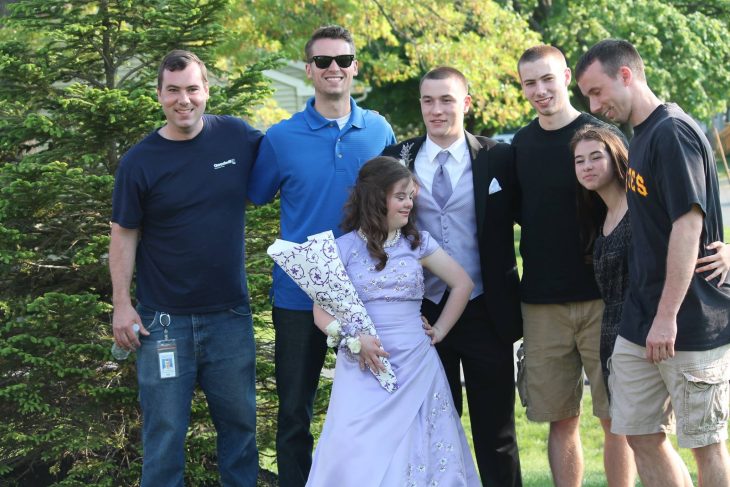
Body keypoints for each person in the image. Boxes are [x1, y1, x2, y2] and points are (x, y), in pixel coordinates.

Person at [576, 39, 730, 487]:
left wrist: (666, 318)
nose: (594, 104)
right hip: (639, 320)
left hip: (689, 320)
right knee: (638, 432)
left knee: (706, 443)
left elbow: (689, 225)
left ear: (626, 75)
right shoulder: (641, 137)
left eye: (597, 91)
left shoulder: (673, 133)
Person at [248, 25, 396, 487]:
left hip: (370, 292)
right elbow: (254, 195)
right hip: (297, 297)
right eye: (325, 62)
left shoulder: (378, 130)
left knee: (373, 402)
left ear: (355, 67)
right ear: (309, 69)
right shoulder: (281, 137)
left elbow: (400, 204)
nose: (335, 69)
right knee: (295, 409)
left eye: (344, 61)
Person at [109, 50, 261, 486]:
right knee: (164, 438)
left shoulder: (235, 136)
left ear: (206, 91)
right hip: (163, 324)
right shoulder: (140, 161)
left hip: (230, 317)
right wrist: (122, 304)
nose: (184, 99)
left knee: (240, 434)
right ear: (159, 94)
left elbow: (286, 165)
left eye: (192, 88)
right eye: (173, 90)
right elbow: (123, 234)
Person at [382, 66, 522, 486]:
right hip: (420, 315)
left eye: (446, 100)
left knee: (496, 432)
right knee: (432, 427)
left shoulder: (498, 157)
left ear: (466, 103)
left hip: (486, 309)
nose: (437, 109)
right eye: (428, 100)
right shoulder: (397, 158)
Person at [306, 156, 480, 486]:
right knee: (357, 445)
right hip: (363, 362)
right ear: (376, 197)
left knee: (420, 442)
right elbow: (321, 312)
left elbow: (463, 284)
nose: (409, 204)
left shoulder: (418, 244)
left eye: (411, 197)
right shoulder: (341, 249)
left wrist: (439, 329)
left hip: (416, 360)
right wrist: (353, 340)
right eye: (401, 196)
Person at [512, 44, 633, 487]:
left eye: (547, 79)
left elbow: (645, 206)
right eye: (530, 83)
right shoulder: (520, 146)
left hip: (606, 298)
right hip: (543, 304)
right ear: (522, 87)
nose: (540, 90)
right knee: (559, 419)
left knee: (615, 416)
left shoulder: (604, 136)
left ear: (566, 77)